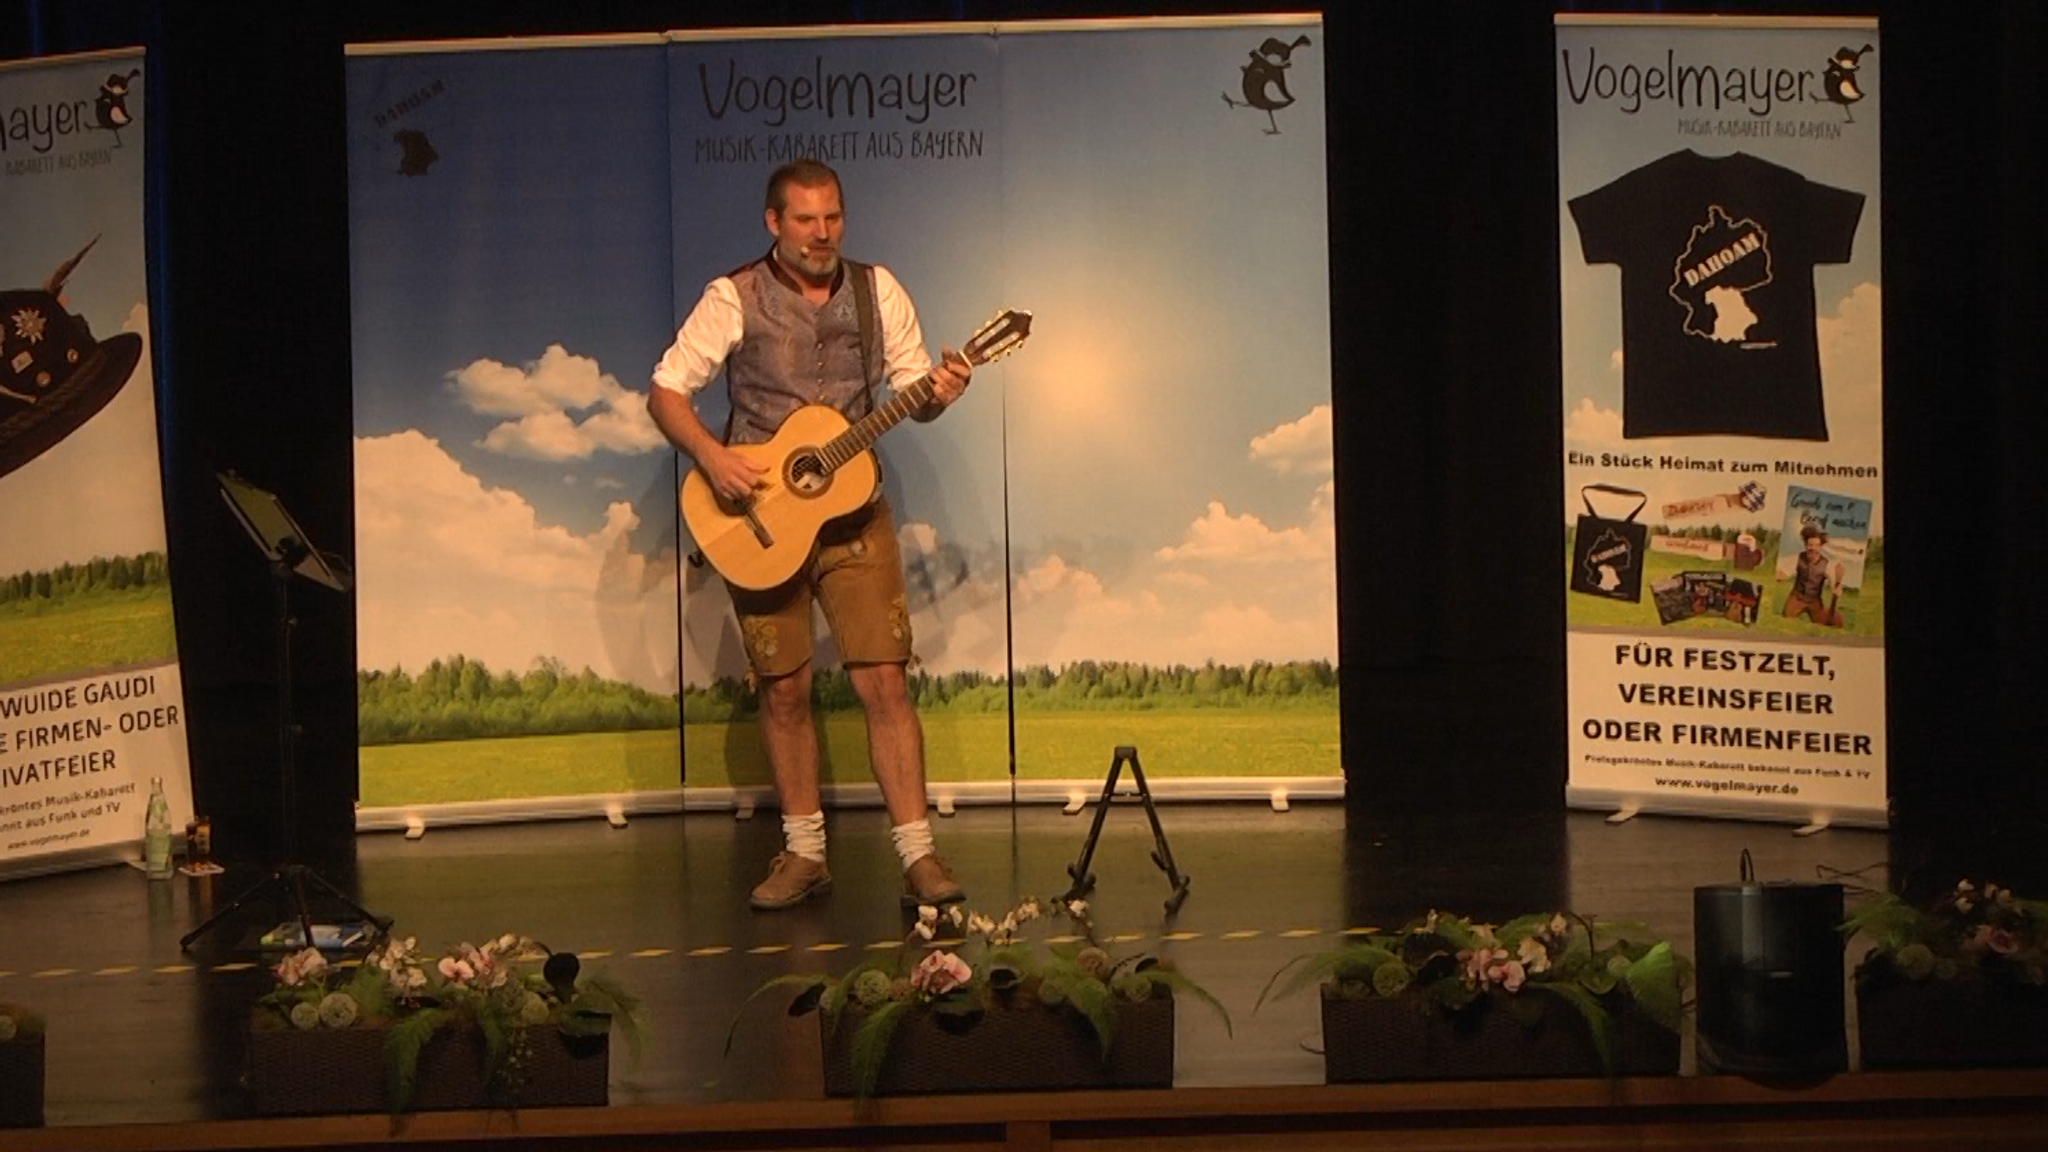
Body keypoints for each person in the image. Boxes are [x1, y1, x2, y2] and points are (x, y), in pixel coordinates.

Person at [648, 159, 972, 912]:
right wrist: (712, 456)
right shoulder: (732, 297)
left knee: (884, 681)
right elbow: (667, 389)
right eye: (805, 220)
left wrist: (941, 393)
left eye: (833, 219)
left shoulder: (877, 289)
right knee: (785, 689)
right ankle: (804, 854)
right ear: (773, 222)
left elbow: (911, 395)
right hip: (758, 518)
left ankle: (919, 858)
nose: (822, 233)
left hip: (855, 513)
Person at [1781, 524, 1844, 626]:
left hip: (1814, 601)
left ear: (1820, 546)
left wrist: (1836, 587)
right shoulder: (1798, 557)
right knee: (1785, 619)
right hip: (1797, 597)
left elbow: (1834, 584)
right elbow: (1785, 572)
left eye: (1816, 545)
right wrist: (1781, 576)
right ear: (1805, 545)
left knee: (1824, 623)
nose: (1813, 548)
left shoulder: (1826, 564)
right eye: (1810, 545)